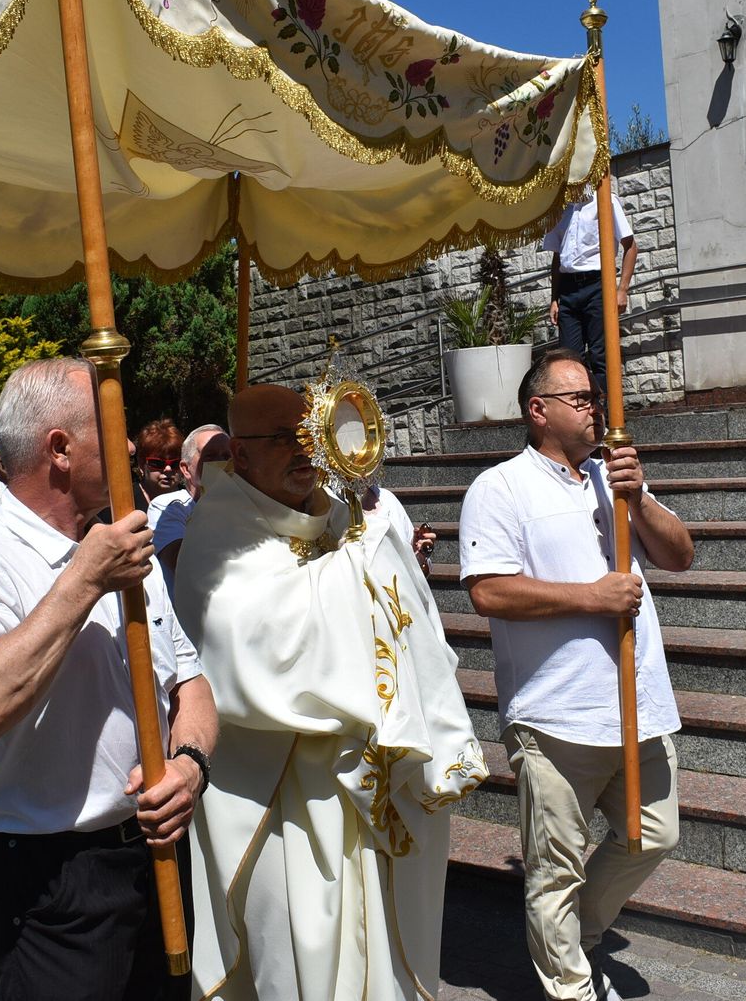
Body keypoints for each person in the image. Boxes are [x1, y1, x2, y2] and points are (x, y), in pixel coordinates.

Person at [0, 357, 216, 1001]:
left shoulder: (123, 549)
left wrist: (189, 765)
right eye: (114, 426)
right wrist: (84, 578)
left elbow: (190, 686)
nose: (131, 444)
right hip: (52, 882)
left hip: (156, 859)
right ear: (59, 448)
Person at [175, 383, 485, 1001]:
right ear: (239, 454)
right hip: (276, 799)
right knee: (296, 964)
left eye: (309, 436)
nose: (304, 452)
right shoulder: (217, 529)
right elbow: (247, 642)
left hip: (360, 789)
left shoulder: (341, 513)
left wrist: (367, 550)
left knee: (375, 959)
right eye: (283, 440)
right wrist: (361, 564)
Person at [458, 349, 693, 1001]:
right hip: (553, 714)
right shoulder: (500, 488)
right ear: (539, 410)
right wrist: (592, 597)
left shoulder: (611, 480)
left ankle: (581, 937)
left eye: (597, 398)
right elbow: (488, 591)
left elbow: (680, 554)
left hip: (635, 704)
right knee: (554, 868)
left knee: (654, 834)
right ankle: (569, 987)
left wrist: (637, 497)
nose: (598, 410)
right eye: (582, 398)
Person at [545, 183, 637, 393]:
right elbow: (558, 256)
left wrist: (622, 289)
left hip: (597, 284)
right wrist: (554, 298)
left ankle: (605, 414)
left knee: (600, 354)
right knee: (569, 358)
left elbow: (630, 246)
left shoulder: (604, 201)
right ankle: (579, 412)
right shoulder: (560, 208)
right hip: (568, 289)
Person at [149, 423, 231, 593]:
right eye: (211, 457)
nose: (221, 463)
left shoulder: (242, 503)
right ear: (186, 469)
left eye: (227, 456)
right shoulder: (167, 507)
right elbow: (183, 564)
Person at [135, 418, 185, 506]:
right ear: (142, 464)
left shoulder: (192, 501)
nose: (168, 469)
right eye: (158, 463)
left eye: (175, 463)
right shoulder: (126, 502)